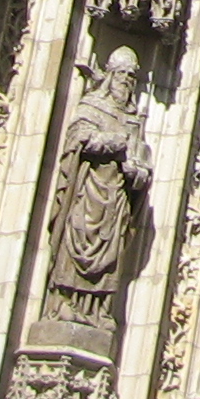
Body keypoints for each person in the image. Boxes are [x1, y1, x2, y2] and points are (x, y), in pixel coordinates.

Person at [42, 47, 154, 326]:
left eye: (132, 76)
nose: (127, 80)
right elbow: (79, 139)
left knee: (111, 254)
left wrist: (137, 173)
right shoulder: (92, 106)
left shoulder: (134, 120)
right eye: (122, 74)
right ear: (110, 75)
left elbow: (142, 161)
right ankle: (63, 303)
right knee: (76, 241)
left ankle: (97, 310)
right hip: (88, 193)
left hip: (116, 200)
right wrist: (112, 142)